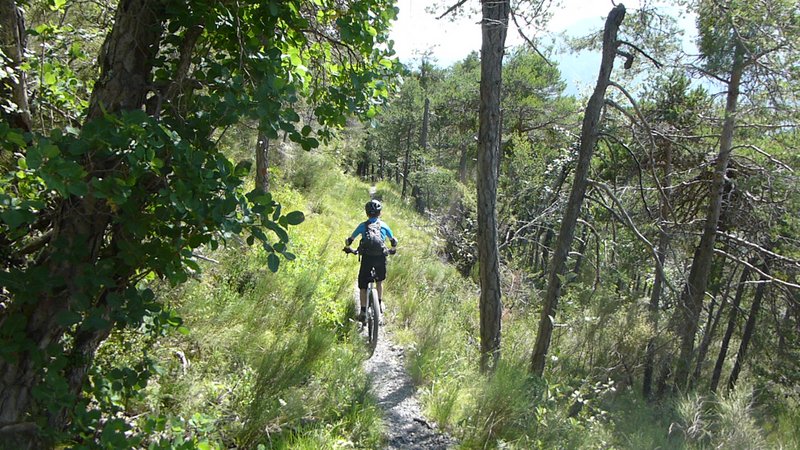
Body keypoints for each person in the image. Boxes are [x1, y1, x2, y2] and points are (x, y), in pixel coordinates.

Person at [343, 199, 397, 323]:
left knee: (363, 285)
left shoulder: (362, 226)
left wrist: (347, 247)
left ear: (367, 213)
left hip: (367, 258)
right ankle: (379, 303)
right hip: (380, 257)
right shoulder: (384, 225)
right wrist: (393, 249)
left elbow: (350, 240)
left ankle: (363, 311)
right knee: (379, 281)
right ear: (380, 213)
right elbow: (393, 241)